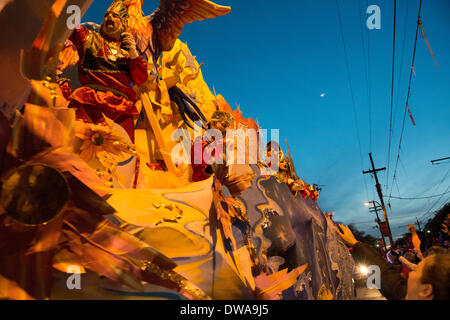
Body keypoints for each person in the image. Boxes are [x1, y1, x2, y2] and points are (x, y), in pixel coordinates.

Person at [65, 0, 148, 142]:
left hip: (121, 111)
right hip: (89, 103)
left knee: (124, 155)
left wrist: (134, 53)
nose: (109, 18)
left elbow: (141, 79)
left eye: (115, 16)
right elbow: (68, 24)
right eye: (107, 15)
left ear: (123, 26)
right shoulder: (88, 37)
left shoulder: (128, 55)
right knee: (77, 148)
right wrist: (72, 4)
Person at [337, 224, 450, 300]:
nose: (410, 273)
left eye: (417, 270)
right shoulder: (408, 294)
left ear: (426, 290)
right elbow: (387, 276)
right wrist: (355, 244)